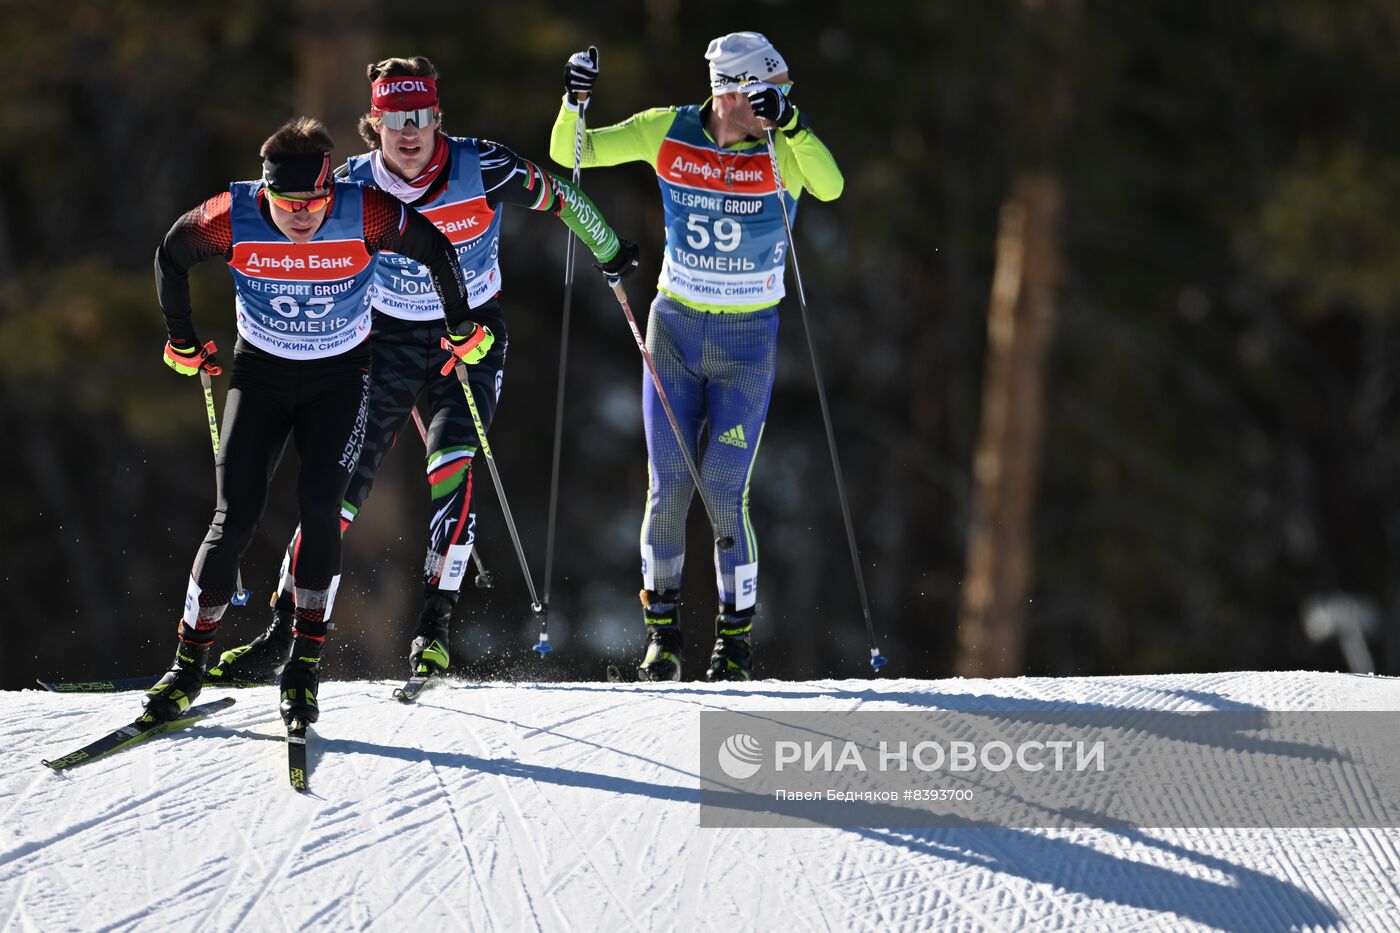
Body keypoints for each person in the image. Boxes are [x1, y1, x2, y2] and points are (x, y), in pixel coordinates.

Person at [206, 56, 638, 687]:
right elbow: (275, 211)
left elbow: (560, 195)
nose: (408, 134)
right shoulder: (350, 184)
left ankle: (434, 630)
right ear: (372, 124)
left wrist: (610, 251)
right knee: (339, 489)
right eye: (393, 120)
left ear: (438, 118)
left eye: (420, 118)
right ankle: (279, 633)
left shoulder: (480, 165)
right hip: (382, 341)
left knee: (452, 465)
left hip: (470, 335)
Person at [146, 116, 493, 726]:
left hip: (340, 380)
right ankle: (187, 665)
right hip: (261, 378)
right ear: (266, 191)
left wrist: (461, 325)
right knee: (235, 517)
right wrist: (181, 340)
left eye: (314, 202)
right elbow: (171, 255)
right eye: (288, 203)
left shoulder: (365, 212)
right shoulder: (232, 214)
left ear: (331, 191)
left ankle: (303, 666)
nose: (302, 215)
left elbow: (437, 248)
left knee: (320, 508)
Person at [551, 33, 844, 681]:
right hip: (676, 332)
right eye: (770, 90)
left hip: (747, 342)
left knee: (722, 490)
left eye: (783, 91)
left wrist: (792, 124)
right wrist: (574, 103)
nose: (779, 100)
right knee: (668, 490)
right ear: (731, 91)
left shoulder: (783, 145)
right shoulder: (667, 130)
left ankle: (734, 642)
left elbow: (832, 186)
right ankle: (663, 638)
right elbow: (572, 151)